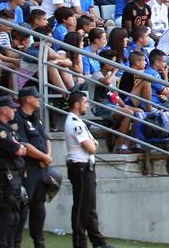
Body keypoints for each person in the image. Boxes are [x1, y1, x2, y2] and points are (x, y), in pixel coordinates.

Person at [65, 90, 113, 248]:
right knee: (81, 207)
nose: (88, 105)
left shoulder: (78, 121)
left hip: (86, 167)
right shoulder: (74, 122)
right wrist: (93, 146)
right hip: (80, 168)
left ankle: (98, 242)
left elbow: (93, 144)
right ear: (77, 104)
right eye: (85, 102)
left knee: (89, 206)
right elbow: (91, 147)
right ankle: (79, 243)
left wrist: (93, 145)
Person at [15, 86, 55, 248]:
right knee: (23, 206)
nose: (39, 100)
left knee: (39, 206)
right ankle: (16, 242)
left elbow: (46, 139)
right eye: (36, 97)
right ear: (28, 99)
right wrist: (44, 157)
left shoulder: (36, 117)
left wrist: (48, 158)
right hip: (28, 168)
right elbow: (24, 145)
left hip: (41, 168)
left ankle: (39, 242)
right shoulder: (18, 118)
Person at [0, 95, 28, 248]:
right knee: (8, 213)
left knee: (19, 212)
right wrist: (21, 148)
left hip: (15, 174)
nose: (14, 110)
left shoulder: (7, 128)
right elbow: (19, 149)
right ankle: (3, 244)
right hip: (5, 176)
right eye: (11, 107)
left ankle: (12, 244)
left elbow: (22, 145)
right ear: (3, 110)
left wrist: (21, 148)